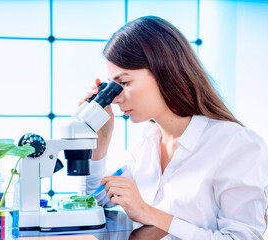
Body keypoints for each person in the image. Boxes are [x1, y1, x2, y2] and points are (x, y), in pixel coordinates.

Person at [81, 16, 268, 239]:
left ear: (164, 72)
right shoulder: (149, 141)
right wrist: (102, 139)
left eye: (124, 83)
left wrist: (150, 214)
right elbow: (92, 199)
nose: (117, 98)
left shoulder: (237, 144)